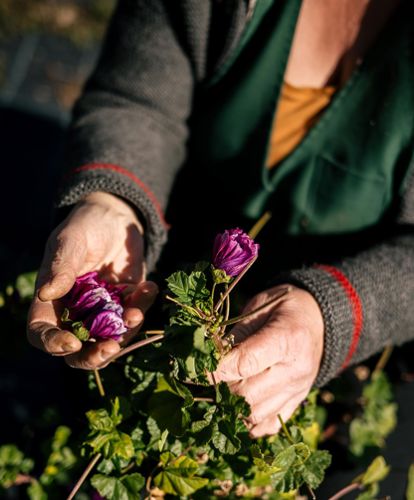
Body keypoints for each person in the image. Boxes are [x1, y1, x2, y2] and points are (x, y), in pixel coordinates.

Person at [27, 0, 414, 438]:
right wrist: (112, 204)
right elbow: (136, 101)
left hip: (361, 343)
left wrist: (337, 314)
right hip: (158, 266)